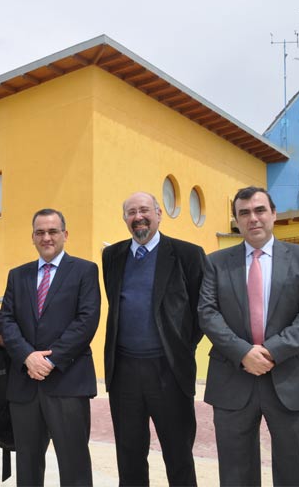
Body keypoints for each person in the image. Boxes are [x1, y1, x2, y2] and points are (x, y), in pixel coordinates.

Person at [199, 186, 299, 486]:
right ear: (237, 220)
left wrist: (270, 351)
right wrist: (243, 353)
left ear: (273, 214)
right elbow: (207, 313)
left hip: (292, 378)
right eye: (244, 213)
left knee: (296, 474)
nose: (253, 218)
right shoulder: (215, 262)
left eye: (259, 210)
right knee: (236, 475)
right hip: (233, 378)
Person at [102, 192, 205, 486]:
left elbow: (201, 310)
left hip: (169, 371)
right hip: (124, 373)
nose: (138, 217)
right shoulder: (112, 256)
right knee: (129, 457)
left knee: (178, 455)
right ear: (125, 218)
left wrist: (179, 347)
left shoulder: (187, 254)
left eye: (145, 210)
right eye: (131, 212)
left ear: (159, 214)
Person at [0, 208, 100, 487]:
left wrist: (49, 360)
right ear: (32, 237)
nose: (46, 237)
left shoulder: (85, 270)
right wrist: (27, 357)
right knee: (28, 467)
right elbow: (7, 320)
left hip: (68, 382)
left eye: (53, 231)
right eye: (40, 232)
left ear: (65, 234)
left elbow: (86, 320)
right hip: (25, 384)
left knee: (74, 465)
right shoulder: (17, 275)